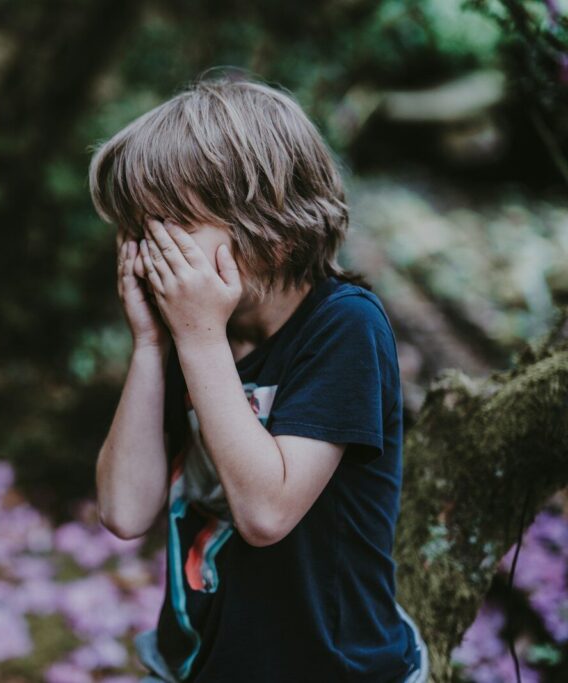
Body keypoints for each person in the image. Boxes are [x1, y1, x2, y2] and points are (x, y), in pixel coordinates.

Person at [89, 73, 430, 682]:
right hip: (195, 664)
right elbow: (124, 510)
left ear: (270, 231)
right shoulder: (188, 332)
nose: (153, 251)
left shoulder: (344, 326)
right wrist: (148, 344)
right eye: (141, 230)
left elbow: (267, 513)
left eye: (172, 227)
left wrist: (197, 338)